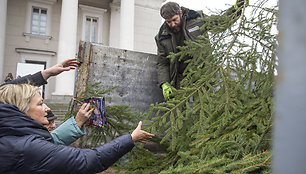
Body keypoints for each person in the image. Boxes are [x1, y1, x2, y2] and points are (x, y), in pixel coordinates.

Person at [0, 83, 154, 173]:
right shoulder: (27, 148)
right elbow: (89, 160)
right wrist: (131, 138)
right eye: (40, 104)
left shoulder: (10, 134)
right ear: (21, 109)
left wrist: (77, 122)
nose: (47, 108)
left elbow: (51, 141)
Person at [155, 1, 248, 100]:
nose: (172, 24)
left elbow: (220, 22)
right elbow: (162, 63)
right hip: (180, 77)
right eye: (168, 22)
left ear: (180, 13)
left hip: (203, 74)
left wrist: (236, 8)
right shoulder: (162, 37)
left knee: (205, 106)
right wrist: (164, 83)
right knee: (177, 110)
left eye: (175, 20)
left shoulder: (197, 18)